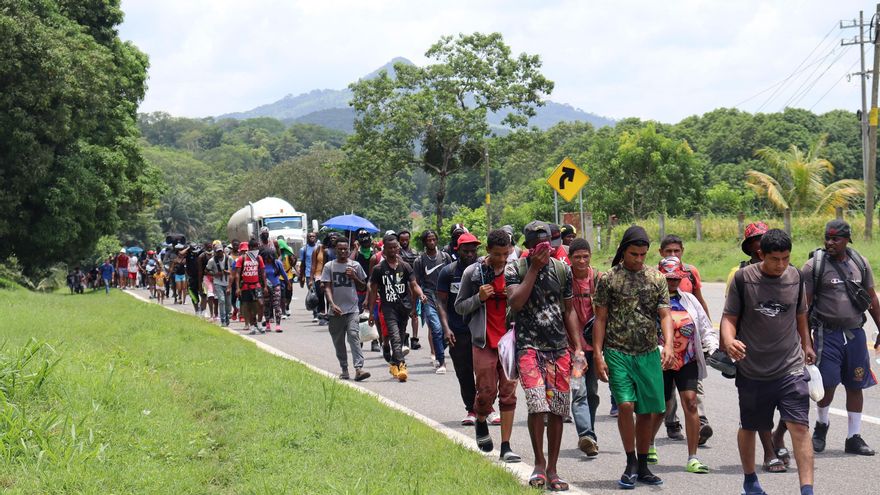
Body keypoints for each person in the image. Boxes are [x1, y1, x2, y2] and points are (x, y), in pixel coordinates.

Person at [722, 228, 815, 495]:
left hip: (790, 367)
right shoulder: (743, 279)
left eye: (786, 258)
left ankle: (807, 490)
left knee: (799, 426)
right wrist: (729, 341)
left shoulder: (796, 277)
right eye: (775, 259)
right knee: (750, 426)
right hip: (753, 369)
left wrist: (807, 344)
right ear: (762, 254)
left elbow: (800, 315)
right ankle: (750, 481)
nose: (781, 265)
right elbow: (729, 317)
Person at [592, 225, 674, 489]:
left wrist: (669, 345)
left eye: (642, 255)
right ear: (623, 251)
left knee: (648, 411)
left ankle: (643, 464)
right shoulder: (608, 279)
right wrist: (598, 355)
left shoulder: (657, 278)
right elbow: (600, 318)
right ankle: (630, 462)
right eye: (633, 254)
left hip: (648, 352)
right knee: (626, 405)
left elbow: (665, 315)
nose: (638, 259)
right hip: (617, 352)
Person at [506, 221, 583, 491]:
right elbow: (516, 302)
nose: (544, 247)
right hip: (528, 346)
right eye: (538, 243)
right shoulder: (515, 268)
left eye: (547, 242)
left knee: (558, 409)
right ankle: (539, 464)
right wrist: (534, 269)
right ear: (528, 246)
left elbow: (569, 311)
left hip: (558, 348)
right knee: (537, 404)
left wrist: (578, 347)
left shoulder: (563, 269)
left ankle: (553, 469)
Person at [805, 219, 878, 456]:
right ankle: (821, 426)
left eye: (835, 238)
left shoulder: (860, 263)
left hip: (856, 334)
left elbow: (871, 299)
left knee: (856, 384)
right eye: (827, 237)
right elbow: (802, 309)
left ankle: (853, 437)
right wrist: (805, 342)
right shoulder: (814, 266)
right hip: (827, 334)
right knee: (827, 384)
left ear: (847, 240)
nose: (830, 242)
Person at [455, 229, 521, 463]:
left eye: (506, 253)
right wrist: (478, 298)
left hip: (510, 341)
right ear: (488, 251)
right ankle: (481, 418)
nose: (502, 259)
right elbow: (459, 306)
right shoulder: (473, 273)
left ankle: (506, 446)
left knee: (508, 394)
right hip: (483, 342)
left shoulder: (516, 270)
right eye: (497, 254)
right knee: (486, 392)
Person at [652, 256, 714, 474]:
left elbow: (704, 325)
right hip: (660, 361)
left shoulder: (689, 300)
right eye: (668, 278)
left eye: (676, 278)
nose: (673, 282)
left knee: (691, 403)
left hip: (687, 359)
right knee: (661, 407)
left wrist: (711, 345)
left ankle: (693, 457)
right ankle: (648, 444)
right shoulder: (650, 300)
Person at [367, 233, 427, 382]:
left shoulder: (405, 266)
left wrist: (421, 295)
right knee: (394, 335)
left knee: (399, 336)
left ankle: (394, 364)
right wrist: (371, 312)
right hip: (388, 307)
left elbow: (414, 285)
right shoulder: (378, 269)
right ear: (384, 250)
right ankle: (401, 366)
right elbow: (373, 291)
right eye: (390, 248)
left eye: (395, 247)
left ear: (398, 248)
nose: (393, 250)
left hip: (404, 307)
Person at [437, 232, 480, 425]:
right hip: (457, 330)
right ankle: (471, 409)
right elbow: (441, 302)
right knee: (464, 372)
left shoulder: (483, 270)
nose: (470, 254)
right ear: (458, 250)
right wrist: (446, 329)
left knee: (486, 371)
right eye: (466, 250)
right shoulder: (448, 272)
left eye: (473, 250)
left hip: (480, 330)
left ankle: (487, 406)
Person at [568, 238, 601, 457]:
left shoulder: (597, 278)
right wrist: (577, 348)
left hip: (594, 346)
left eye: (585, 256)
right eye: (577, 257)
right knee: (578, 391)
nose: (581, 261)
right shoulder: (565, 279)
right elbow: (566, 311)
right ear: (570, 258)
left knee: (592, 392)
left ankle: (591, 435)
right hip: (573, 348)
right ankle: (585, 434)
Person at [322, 238, 371, 382]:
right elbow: (327, 287)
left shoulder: (355, 265)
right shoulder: (329, 266)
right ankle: (344, 369)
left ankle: (359, 369)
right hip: (335, 311)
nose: (343, 251)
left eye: (345, 249)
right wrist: (332, 304)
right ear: (335, 250)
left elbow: (363, 286)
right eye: (340, 249)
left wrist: (354, 277)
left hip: (352, 309)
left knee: (354, 336)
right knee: (339, 343)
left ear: (349, 250)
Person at [413, 230, 453, 371]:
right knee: (436, 329)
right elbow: (415, 282)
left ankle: (440, 348)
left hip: (445, 297)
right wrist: (419, 296)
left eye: (433, 239)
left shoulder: (445, 257)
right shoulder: (419, 261)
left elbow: (452, 276)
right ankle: (441, 362)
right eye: (428, 240)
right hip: (428, 297)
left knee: (448, 329)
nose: (431, 242)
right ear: (424, 242)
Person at [398, 229, 423, 351]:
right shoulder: (396, 252)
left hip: (413, 285)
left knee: (414, 314)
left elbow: (418, 270)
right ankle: (404, 336)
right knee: (402, 315)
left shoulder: (415, 253)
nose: (404, 242)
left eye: (406, 240)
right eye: (402, 240)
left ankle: (415, 338)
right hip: (401, 286)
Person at [237, 240, 267, 335]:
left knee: (261, 304)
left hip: (256, 285)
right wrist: (237, 288)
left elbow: (263, 272)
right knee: (248, 307)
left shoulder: (258, 258)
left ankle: (259, 323)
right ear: (249, 248)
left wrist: (265, 286)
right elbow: (237, 274)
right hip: (246, 286)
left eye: (256, 247)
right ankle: (252, 326)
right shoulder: (242, 258)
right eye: (253, 247)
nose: (255, 249)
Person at [262, 247, 289, 332]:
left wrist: (288, 283)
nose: (268, 260)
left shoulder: (277, 263)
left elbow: (284, 274)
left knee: (277, 306)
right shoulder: (262, 264)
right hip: (265, 288)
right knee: (266, 306)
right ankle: (267, 324)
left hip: (276, 286)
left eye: (269, 258)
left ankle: (278, 325)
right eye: (266, 258)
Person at [206, 244, 232, 326]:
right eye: (218, 252)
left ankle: (227, 316)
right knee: (221, 300)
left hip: (227, 283)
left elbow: (234, 269)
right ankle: (223, 320)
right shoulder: (212, 261)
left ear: (223, 250)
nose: (220, 253)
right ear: (215, 252)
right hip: (218, 283)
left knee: (228, 302)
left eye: (221, 251)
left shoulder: (229, 258)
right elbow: (206, 270)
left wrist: (229, 272)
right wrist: (214, 274)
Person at [300, 232, 320, 322]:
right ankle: (315, 314)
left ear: (316, 238)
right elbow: (302, 264)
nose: (312, 237)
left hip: (319, 274)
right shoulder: (303, 249)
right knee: (313, 293)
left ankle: (321, 312)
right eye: (310, 236)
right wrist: (302, 276)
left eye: (313, 236)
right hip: (309, 275)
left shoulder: (319, 248)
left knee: (320, 294)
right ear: (307, 238)